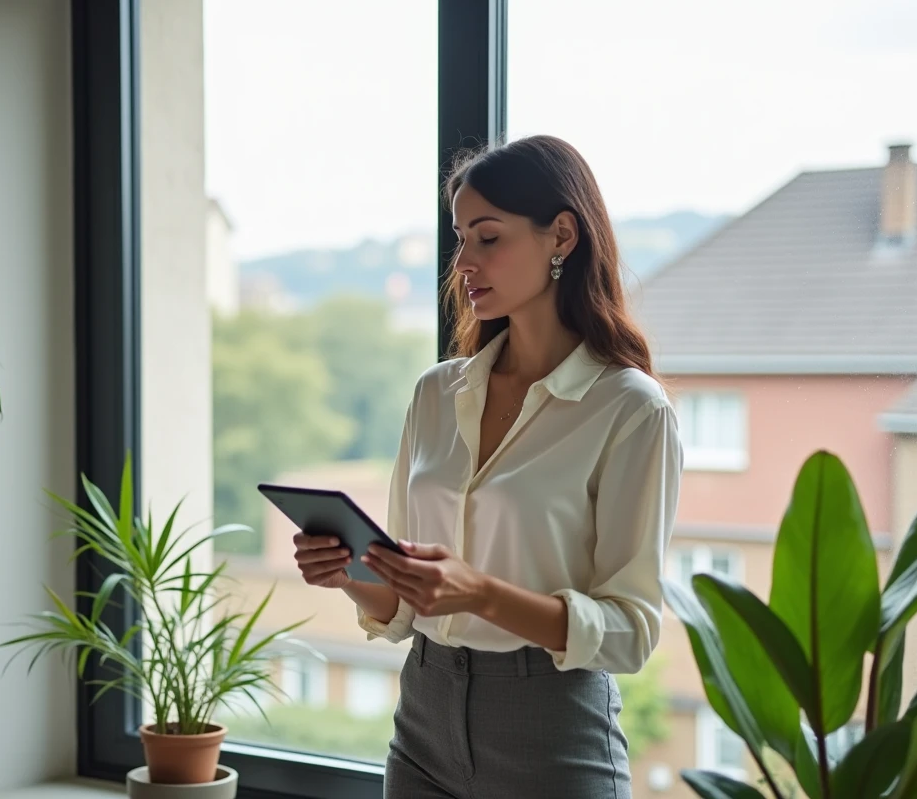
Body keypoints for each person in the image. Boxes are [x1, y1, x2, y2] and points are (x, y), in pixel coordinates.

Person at [292, 135, 683, 799]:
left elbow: (630, 632)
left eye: (488, 238)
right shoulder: (435, 394)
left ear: (562, 235)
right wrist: (352, 573)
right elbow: (400, 606)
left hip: (552, 730)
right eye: (460, 238)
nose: (464, 262)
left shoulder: (630, 410)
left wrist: (481, 594)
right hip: (423, 714)